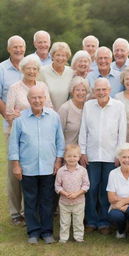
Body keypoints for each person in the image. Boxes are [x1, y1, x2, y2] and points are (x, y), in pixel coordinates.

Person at [8, 86, 65, 244]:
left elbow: (60, 141)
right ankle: (33, 231)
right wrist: (16, 165)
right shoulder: (20, 120)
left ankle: (47, 232)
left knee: (47, 200)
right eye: (34, 98)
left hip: (48, 166)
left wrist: (58, 161)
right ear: (28, 100)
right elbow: (13, 145)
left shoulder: (54, 117)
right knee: (30, 200)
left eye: (40, 97)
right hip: (28, 168)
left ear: (45, 98)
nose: (37, 100)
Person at [79, 77, 126, 234]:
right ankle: (91, 221)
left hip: (111, 156)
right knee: (91, 189)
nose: (101, 92)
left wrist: (119, 154)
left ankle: (105, 221)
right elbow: (83, 130)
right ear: (94, 91)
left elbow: (122, 132)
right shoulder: (88, 106)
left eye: (104, 89)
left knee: (107, 190)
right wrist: (82, 151)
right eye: (98, 89)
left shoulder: (118, 106)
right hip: (91, 155)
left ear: (109, 90)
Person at [0, 35, 26, 225]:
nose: (18, 50)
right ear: (9, 49)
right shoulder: (2, 69)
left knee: (29, 170)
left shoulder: (30, 66)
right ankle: (15, 212)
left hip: (31, 128)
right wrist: (8, 114)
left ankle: (28, 210)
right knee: (14, 170)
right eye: (15, 47)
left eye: (21, 47)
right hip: (11, 128)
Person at [55, 144, 90, 243]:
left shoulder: (82, 171)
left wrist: (77, 193)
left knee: (78, 221)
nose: (72, 158)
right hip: (64, 202)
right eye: (69, 156)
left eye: (75, 156)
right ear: (65, 157)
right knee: (64, 221)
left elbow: (86, 185)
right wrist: (64, 193)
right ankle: (63, 238)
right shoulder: (61, 171)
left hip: (79, 201)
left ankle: (78, 237)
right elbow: (57, 186)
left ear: (79, 157)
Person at [6, 54, 52, 126]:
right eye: (28, 68)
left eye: (34, 69)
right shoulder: (14, 88)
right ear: (22, 69)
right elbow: (9, 115)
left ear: (38, 71)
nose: (31, 71)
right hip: (21, 128)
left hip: (42, 126)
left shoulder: (43, 86)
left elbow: (49, 109)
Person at [39, 42, 73, 111]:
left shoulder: (71, 72)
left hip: (65, 114)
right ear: (52, 56)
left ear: (67, 57)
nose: (60, 58)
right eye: (58, 55)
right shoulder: (42, 71)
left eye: (63, 55)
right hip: (46, 113)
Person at [58, 76, 90, 145]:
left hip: (84, 152)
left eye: (83, 90)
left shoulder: (88, 107)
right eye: (77, 90)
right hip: (69, 152)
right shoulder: (65, 108)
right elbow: (58, 134)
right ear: (72, 91)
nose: (81, 93)